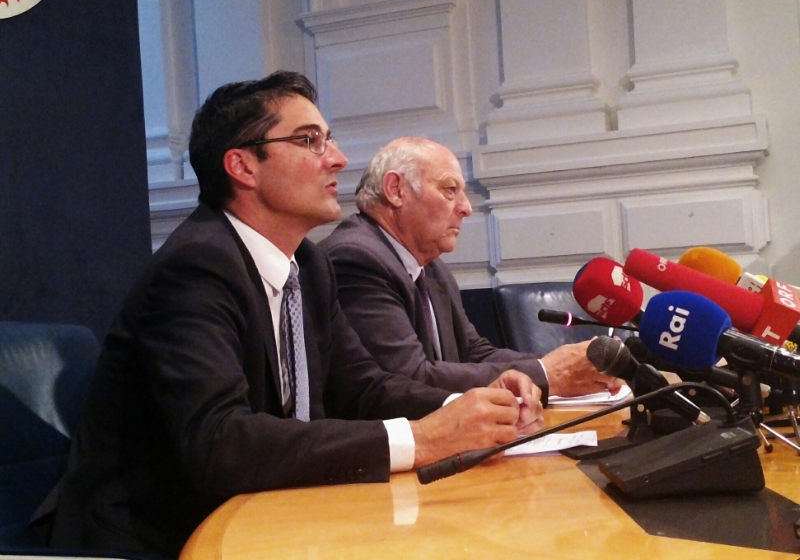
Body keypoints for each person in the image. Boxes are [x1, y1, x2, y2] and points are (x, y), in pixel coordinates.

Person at [45, 74, 543, 559]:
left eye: (329, 139)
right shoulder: (196, 266)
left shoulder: (308, 263)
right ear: (243, 166)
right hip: (157, 535)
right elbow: (219, 443)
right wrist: (423, 437)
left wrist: (473, 406)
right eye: (309, 140)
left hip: (273, 513)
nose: (338, 158)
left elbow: (363, 388)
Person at [319, 136, 623, 401]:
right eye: (450, 190)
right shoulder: (357, 259)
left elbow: (475, 353)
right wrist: (547, 372)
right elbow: (407, 378)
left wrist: (569, 365)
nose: (466, 208)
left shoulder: (432, 268)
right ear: (396, 190)